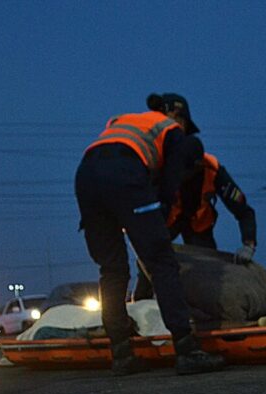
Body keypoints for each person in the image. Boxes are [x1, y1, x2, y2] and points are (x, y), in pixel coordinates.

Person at [75, 94, 225, 376]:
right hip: (124, 171)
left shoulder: (126, 121)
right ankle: (186, 349)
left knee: (112, 270)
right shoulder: (174, 131)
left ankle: (121, 354)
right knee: (161, 261)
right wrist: (163, 209)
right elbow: (171, 179)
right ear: (178, 117)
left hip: (86, 176)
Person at [134, 94, 257, 300]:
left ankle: (213, 317)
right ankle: (140, 310)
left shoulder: (211, 168)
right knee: (149, 266)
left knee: (210, 277)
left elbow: (244, 211)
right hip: (164, 224)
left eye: (175, 121)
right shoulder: (152, 165)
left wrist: (248, 244)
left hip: (199, 228)